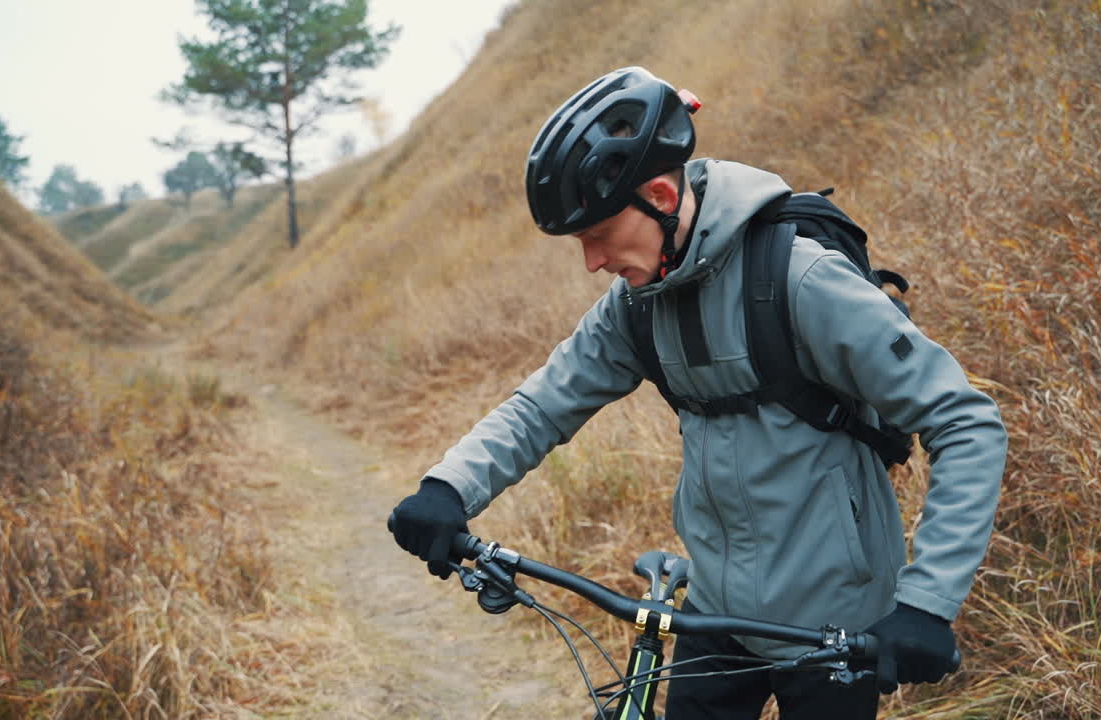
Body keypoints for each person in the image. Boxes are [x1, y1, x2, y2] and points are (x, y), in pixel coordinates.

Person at [389, 66, 1007, 719]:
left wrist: (926, 605)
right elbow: (544, 405)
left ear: (659, 195)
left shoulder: (799, 278)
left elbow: (964, 421)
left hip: (835, 628)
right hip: (713, 611)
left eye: (597, 236)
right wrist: (448, 488)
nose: (592, 262)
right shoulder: (635, 305)